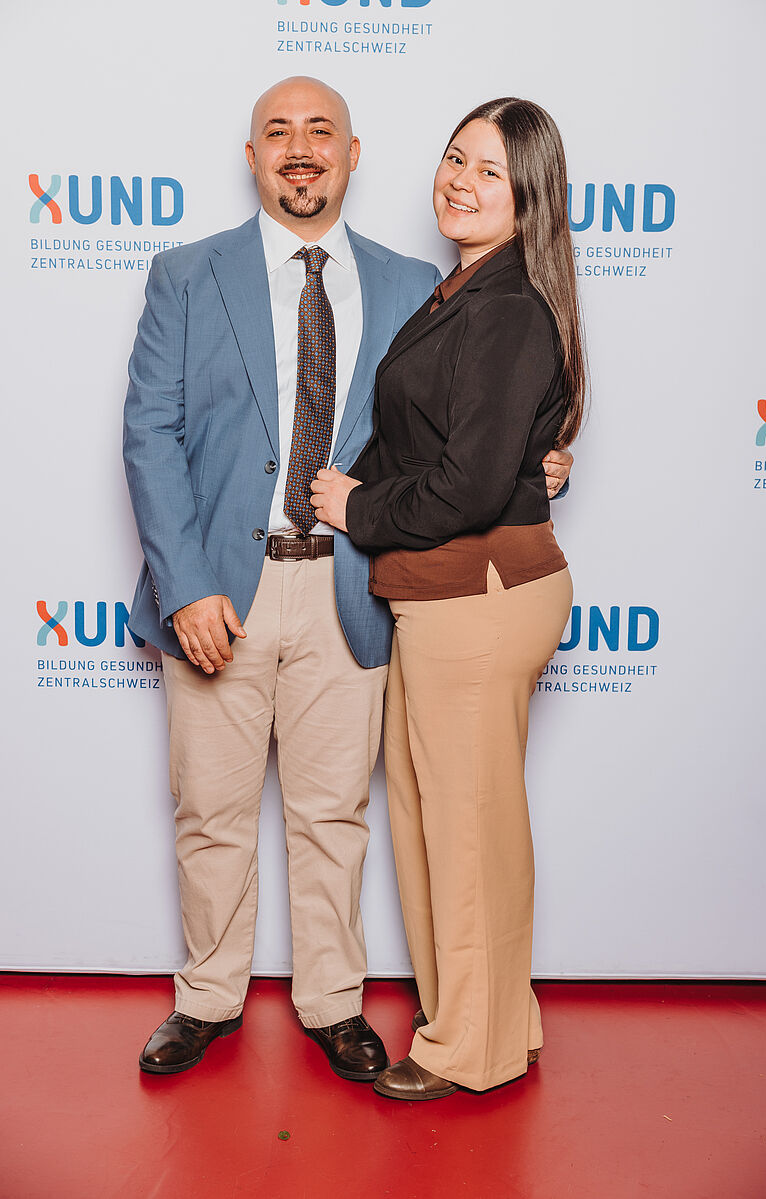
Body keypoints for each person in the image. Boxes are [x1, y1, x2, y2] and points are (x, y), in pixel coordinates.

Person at [124, 77, 574, 1081]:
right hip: (221, 587)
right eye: (277, 131)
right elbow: (149, 432)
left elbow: (470, 419)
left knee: (335, 813)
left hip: (356, 585)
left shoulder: (419, 281)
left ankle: (332, 1000)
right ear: (251, 155)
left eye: (320, 129)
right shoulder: (186, 274)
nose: (300, 146)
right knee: (210, 811)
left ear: (352, 152)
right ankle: (207, 995)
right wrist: (184, 584)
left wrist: (535, 460)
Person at [311, 97, 584, 1099]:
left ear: (529, 198)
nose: (460, 181)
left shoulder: (506, 306)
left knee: (467, 831)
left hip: (479, 597)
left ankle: (470, 1047)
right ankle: (489, 1016)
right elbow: (457, 447)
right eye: (455, 157)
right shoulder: (460, 292)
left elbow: (465, 486)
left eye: (490, 171)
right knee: (446, 823)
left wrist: (355, 505)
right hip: (440, 597)